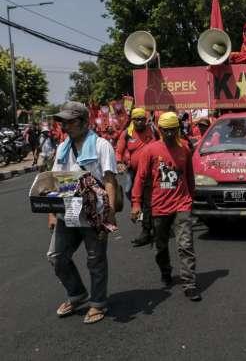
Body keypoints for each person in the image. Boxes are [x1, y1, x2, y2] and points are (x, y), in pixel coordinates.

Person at [47, 101, 118, 324]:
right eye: (63, 122)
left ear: (84, 122)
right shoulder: (62, 148)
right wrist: (51, 212)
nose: (65, 126)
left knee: (95, 260)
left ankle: (98, 303)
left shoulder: (101, 145)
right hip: (68, 211)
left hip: (94, 212)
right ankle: (77, 294)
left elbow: (109, 180)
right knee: (56, 257)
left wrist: (110, 211)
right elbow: (55, 182)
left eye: (70, 121)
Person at [131, 112, 201, 301]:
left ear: (177, 129)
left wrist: (191, 197)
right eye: (166, 131)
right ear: (160, 130)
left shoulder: (185, 148)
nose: (170, 134)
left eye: (173, 130)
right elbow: (140, 177)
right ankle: (165, 270)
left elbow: (189, 176)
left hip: (182, 203)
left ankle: (189, 283)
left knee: (185, 244)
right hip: (159, 206)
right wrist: (136, 203)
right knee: (160, 246)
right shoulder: (150, 150)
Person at [116, 108, 157, 247]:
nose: (139, 122)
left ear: (146, 120)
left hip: (152, 172)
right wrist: (119, 163)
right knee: (129, 191)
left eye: (142, 119)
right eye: (136, 119)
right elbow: (119, 151)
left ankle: (147, 230)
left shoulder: (153, 131)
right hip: (133, 171)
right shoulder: (127, 133)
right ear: (132, 120)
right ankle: (140, 210)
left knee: (148, 200)